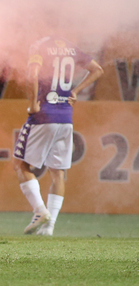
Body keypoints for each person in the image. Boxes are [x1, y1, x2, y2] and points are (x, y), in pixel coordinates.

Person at [13, 36, 103, 236]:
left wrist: (34, 103)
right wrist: (76, 91)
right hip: (66, 118)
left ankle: (39, 211)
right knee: (58, 172)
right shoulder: (72, 48)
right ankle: (49, 227)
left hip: (44, 115)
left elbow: (32, 75)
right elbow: (98, 69)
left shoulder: (39, 45)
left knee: (20, 164)